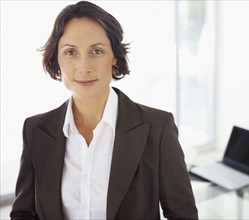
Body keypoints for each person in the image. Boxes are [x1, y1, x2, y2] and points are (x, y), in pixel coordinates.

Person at [10, 1, 198, 219]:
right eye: (70, 52)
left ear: (114, 56)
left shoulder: (158, 128)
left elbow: (183, 215)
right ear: (56, 59)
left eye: (97, 51)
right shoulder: (35, 130)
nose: (84, 66)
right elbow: (23, 214)